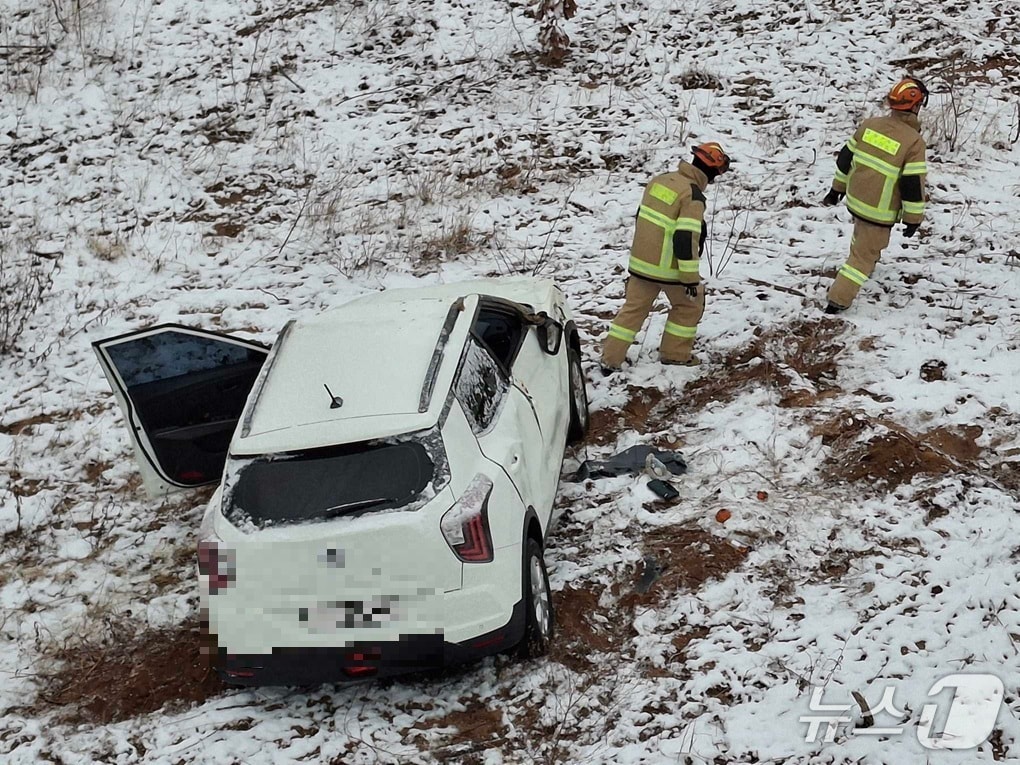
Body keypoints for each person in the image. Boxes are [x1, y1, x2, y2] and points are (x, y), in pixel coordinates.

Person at [600, 142, 732, 371]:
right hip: (669, 269)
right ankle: (675, 354)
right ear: (712, 171)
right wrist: (690, 279)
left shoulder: (660, 180)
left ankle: (610, 360)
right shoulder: (693, 196)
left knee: (632, 311)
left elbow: (643, 218)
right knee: (689, 305)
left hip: (640, 264)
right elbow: (685, 238)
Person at [822, 77, 929, 313]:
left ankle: (861, 265)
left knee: (862, 238)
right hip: (878, 210)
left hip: (856, 198)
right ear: (915, 106)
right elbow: (912, 185)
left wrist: (836, 190)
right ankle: (837, 301)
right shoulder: (914, 142)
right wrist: (913, 219)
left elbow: (844, 159)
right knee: (864, 256)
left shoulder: (869, 125)